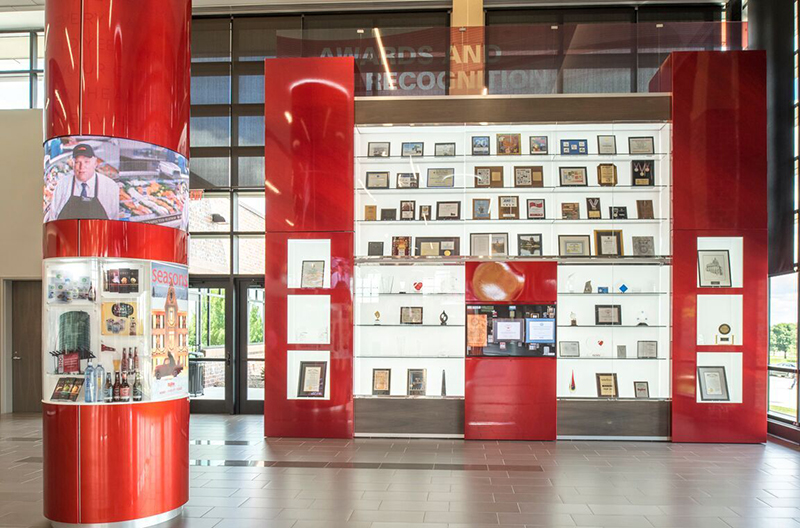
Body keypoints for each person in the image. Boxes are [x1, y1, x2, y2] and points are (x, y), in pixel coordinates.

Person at [46, 143, 120, 221]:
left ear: (95, 163)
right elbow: (53, 219)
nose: (82, 167)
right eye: (77, 162)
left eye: (86, 162)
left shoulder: (110, 187)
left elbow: (115, 221)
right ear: (73, 164)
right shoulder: (62, 185)